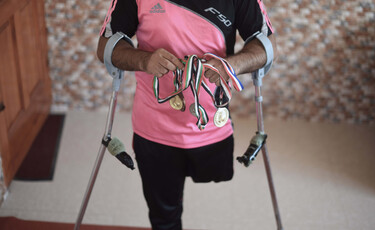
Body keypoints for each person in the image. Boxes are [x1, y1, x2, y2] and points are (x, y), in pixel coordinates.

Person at [97, 1, 276, 229]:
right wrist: (144, 60)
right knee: (163, 215)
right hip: (154, 128)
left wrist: (232, 65)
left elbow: (267, 44)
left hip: (213, 127)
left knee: (217, 204)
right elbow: (105, 46)